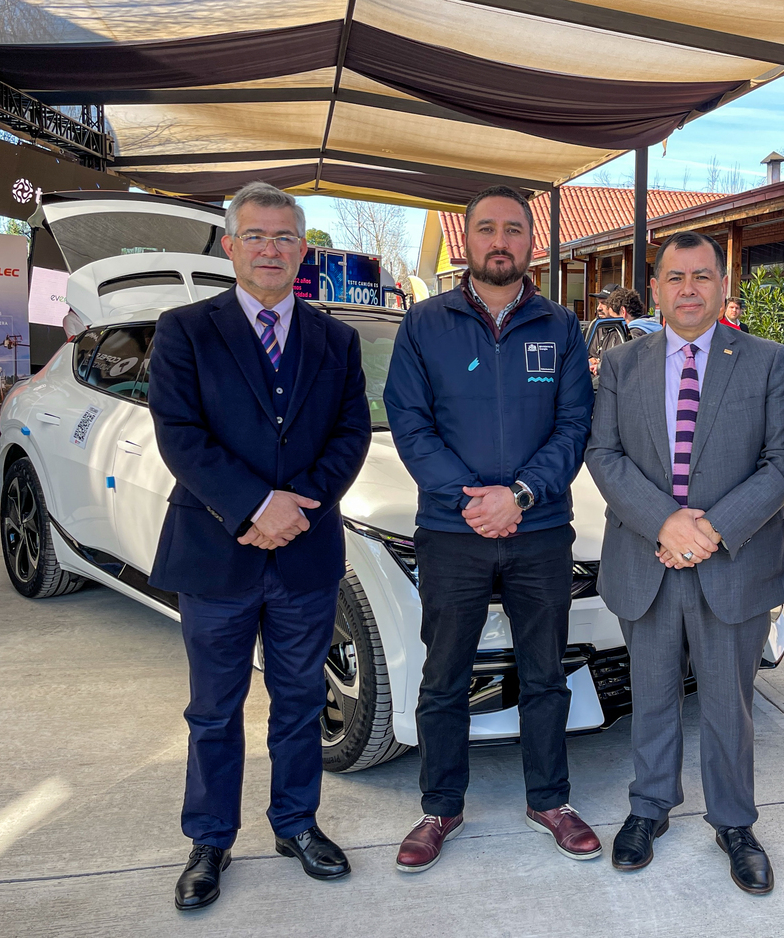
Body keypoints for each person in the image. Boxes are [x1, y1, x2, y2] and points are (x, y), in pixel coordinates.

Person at [149, 182, 372, 910]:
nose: (270, 249)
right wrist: (254, 505)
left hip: (305, 554)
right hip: (216, 552)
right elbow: (179, 434)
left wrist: (297, 509)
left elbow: (351, 434)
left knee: (300, 702)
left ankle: (296, 824)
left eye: (284, 237)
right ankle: (210, 839)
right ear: (229, 245)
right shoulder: (184, 330)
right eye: (255, 235)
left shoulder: (336, 339)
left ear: (303, 250)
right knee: (214, 708)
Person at [384, 185, 598, 873]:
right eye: (486, 228)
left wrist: (522, 496)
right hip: (452, 533)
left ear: (532, 242)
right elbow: (410, 423)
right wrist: (473, 502)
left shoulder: (561, 327)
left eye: (512, 229)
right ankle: (440, 807)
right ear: (467, 240)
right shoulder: (424, 324)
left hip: (541, 530)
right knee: (443, 675)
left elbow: (574, 425)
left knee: (546, 675)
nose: (499, 241)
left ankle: (550, 801)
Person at [586, 230, 784, 895]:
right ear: (654, 288)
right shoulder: (622, 364)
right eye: (675, 277)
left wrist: (709, 530)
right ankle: (649, 807)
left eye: (702, 276)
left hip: (734, 562)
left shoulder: (766, 360)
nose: (689, 289)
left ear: (723, 285)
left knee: (729, 705)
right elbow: (604, 454)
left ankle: (734, 822)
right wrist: (666, 522)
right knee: (650, 695)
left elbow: (783, 462)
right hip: (646, 557)